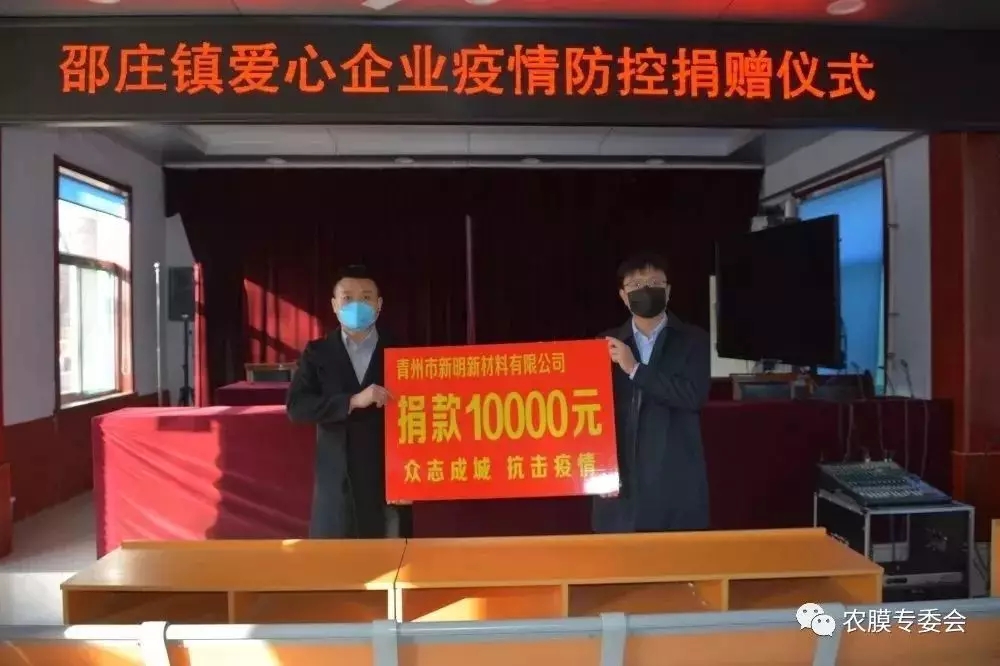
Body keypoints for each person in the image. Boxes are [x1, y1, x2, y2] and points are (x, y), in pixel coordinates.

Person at [595, 252, 711, 533]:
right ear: (623, 296)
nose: (645, 291)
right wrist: (599, 470)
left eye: (654, 283)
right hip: (622, 481)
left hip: (675, 478)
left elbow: (692, 396)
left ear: (668, 291)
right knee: (620, 555)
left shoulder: (694, 340)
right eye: (635, 285)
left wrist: (635, 369)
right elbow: (593, 414)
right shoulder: (604, 345)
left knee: (676, 556)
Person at [286, 264, 401, 539]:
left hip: (388, 484)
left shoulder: (400, 351)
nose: (357, 305)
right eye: (348, 298)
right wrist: (351, 401)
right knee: (334, 563)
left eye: (366, 297)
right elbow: (297, 407)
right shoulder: (317, 353)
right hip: (337, 485)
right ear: (335, 305)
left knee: (392, 561)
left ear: (379, 305)